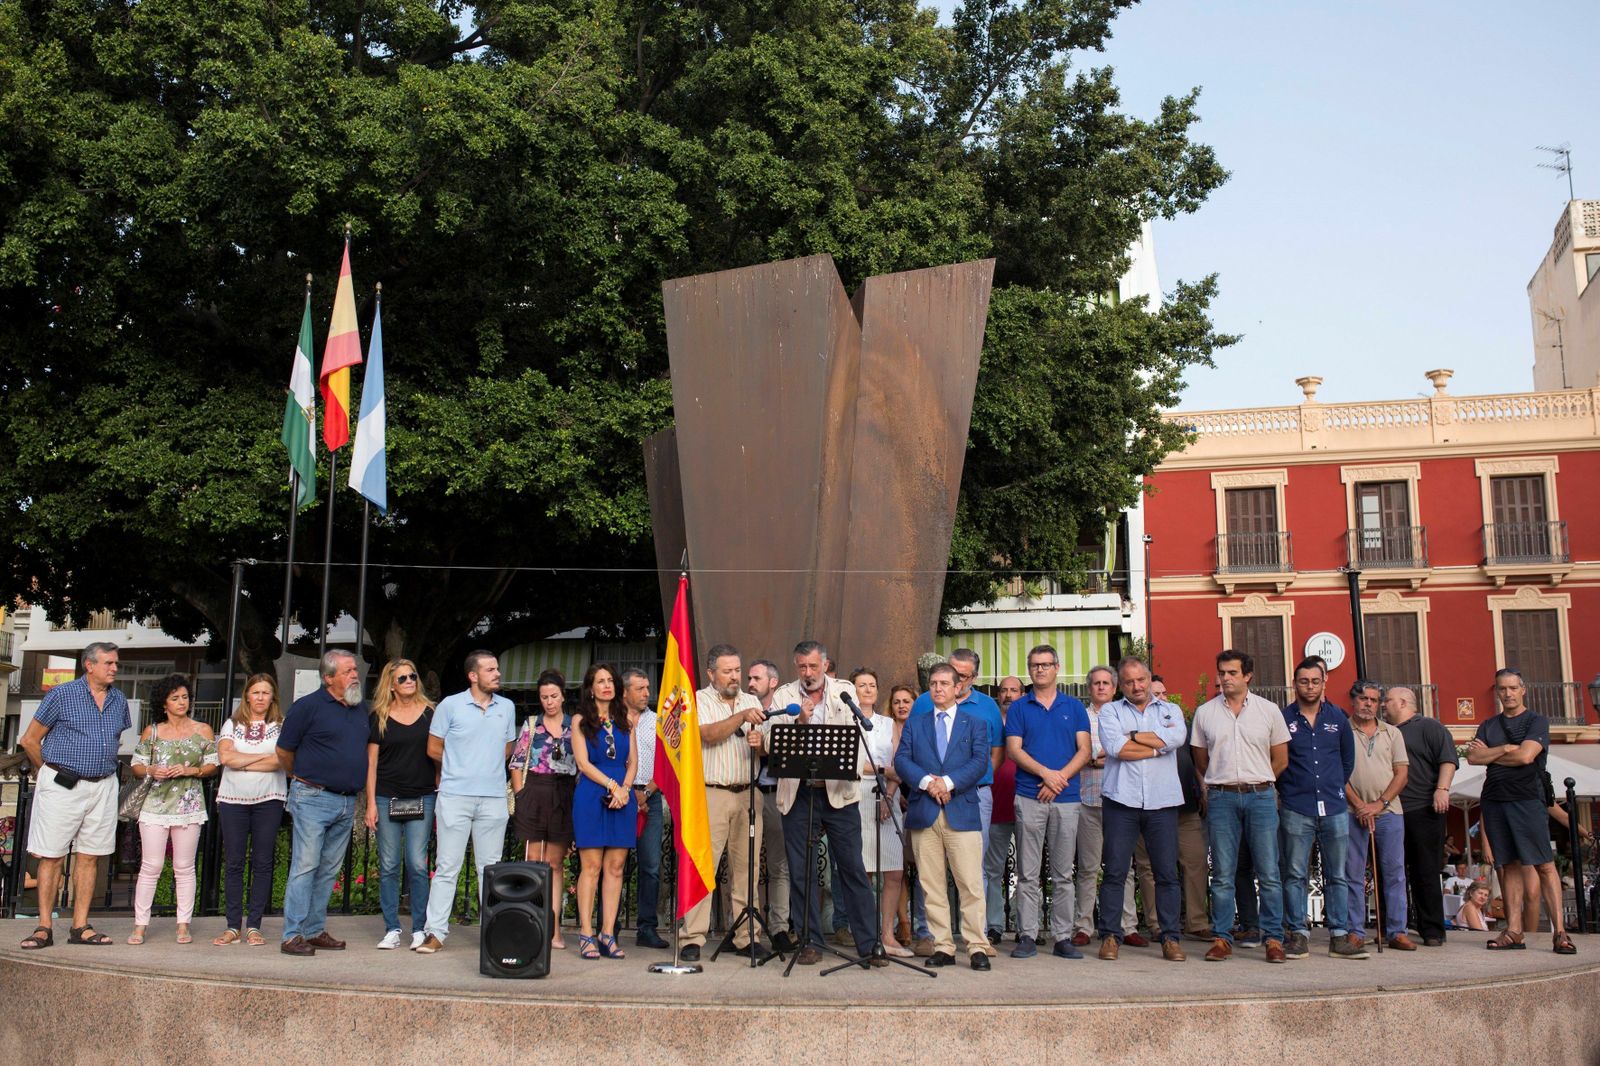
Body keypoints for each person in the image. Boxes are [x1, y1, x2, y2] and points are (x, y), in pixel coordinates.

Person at [773, 641, 879, 965]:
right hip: (799, 793)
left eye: (813, 666)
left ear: (825, 664)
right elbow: (768, 740)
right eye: (802, 667)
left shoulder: (845, 692)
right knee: (802, 871)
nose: (808, 673)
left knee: (852, 868)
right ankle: (810, 941)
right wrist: (799, 722)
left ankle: (870, 944)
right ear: (796, 667)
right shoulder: (784, 696)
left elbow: (856, 740)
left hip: (838, 794)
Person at [17, 642, 129, 949]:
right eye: (108, 663)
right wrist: (51, 774)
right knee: (51, 855)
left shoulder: (119, 700)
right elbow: (29, 740)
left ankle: (80, 926)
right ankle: (43, 927)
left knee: (89, 856)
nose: (114, 668)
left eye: (116, 663)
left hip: (103, 784)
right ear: (89, 665)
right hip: (63, 783)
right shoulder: (62, 694)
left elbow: (113, 740)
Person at [895, 663, 997, 971]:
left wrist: (948, 783)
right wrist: (928, 783)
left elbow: (980, 762)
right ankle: (943, 946)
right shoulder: (916, 723)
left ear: (958, 688)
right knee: (931, 884)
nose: (938, 688)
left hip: (961, 811)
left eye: (944, 683)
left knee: (969, 882)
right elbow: (902, 760)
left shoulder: (975, 723)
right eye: (933, 683)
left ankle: (977, 946)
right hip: (925, 811)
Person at [1191, 648, 1290, 963]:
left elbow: (1281, 758)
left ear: (1247, 675)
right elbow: (1201, 760)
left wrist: (1258, 781)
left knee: (1269, 871)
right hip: (1221, 796)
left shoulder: (1269, 711)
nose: (1225, 678)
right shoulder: (1205, 713)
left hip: (1261, 795)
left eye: (1232, 672)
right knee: (1222, 872)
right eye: (1222, 672)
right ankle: (1222, 937)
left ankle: (1273, 938)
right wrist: (1223, 782)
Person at [416, 650, 516, 955]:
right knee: (447, 866)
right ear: (473, 675)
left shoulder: (508, 707)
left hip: (493, 797)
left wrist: (483, 768)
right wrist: (461, 767)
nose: (497, 674)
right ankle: (435, 932)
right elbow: (433, 747)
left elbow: (508, 748)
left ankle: (494, 932)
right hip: (455, 795)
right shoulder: (450, 705)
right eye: (490, 670)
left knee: (492, 869)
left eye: (497, 668)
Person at [1469, 669, 1572, 954]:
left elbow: (1527, 755)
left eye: (1513, 688)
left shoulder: (1536, 721)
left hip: (1527, 799)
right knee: (1508, 864)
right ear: (1497, 692)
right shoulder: (1488, 725)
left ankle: (1560, 933)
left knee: (1543, 864)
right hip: (1494, 799)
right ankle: (1514, 931)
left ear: (1522, 690)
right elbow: (1474, 756)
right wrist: (1505, 748)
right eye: (1503, 689)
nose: (1508, 693)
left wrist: (1493, 753)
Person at [277, 649, 371, 956]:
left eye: (355, 670)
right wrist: (301, 777)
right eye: (347, 671)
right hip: (312, 797)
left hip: (346, 802)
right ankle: (292, 935)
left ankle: (314, 930)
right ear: (328, 677)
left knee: (328, 870)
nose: (355, 675)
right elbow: (284, 751)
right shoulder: (307, 707)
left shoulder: (359, 709)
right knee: (305, 866)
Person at [1096, 657, 1190, 962]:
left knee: (1166, 874)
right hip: (1121, 801)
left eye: (1141, 680)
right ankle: (1111, 936)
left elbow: (1177, 738)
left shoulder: (1170, 710)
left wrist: (1133, 736)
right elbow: (1114, 748)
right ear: (1120, 685)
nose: (1136, 686)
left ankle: (1170, 938)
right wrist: (1156, 747)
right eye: (1129, 682)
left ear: (1149, 680)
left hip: (1162, 802)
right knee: (1114, 871)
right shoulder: (1110, 710)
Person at [682, 644, 770, 963]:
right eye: (727, 671)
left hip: (748, 791)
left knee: (747, 869)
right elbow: (708, 734)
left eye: (737, 670)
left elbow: (766, 749)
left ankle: (747, 936)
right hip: (713, 792)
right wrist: (741, 717)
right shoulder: (699, 700)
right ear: (711, 674)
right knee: (704, 867)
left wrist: (761, 746)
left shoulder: (751, 700)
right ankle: (692, 937)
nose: (734, 677)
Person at [1005, 645, 1090, 961]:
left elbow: (1084, 750)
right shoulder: (1018, 708)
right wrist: (1046, 774)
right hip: (1029, 796)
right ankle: (1027, 935)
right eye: (1034, 665)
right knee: (1027, 872)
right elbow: (1014, 749)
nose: (1040, 670)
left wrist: (1059, 779)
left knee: (1063, 872)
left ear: (1057, 667)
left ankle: (1063, 936)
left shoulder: (1074, 706)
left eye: (1045, 664)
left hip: (1066, 799)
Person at [1276, 657, 1358, 960]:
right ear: (1295, 684)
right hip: (1296, 807)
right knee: (1295, 873)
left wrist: (1335, 786)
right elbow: (1278, 761)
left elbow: (1347, 761)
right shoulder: (1283, 719)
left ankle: (1339, 935)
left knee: (1337, 874)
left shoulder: (1338, 718)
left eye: (1315, 680)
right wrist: (1287, 792)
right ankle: (1297, 934)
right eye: (1303, 681)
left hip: (1334, 807)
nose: (1309, 686)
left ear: (1324, 683)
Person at [128, 673, 218, 945]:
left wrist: (191, 770)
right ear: (164, 702)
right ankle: (140, 925)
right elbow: (136, 766)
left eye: (185, 697)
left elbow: (214, 765)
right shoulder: (152, 731)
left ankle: (183, 925)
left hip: (189, 804)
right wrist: (152, 770)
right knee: (151, 865)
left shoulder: (203, 730)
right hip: (154, 804)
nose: (182, 702)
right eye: (175, 698)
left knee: (184, 866)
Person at [364, 659, 437, 950]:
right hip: (386, 795)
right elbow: (371, 763)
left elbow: (440, 753)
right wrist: (370, 802)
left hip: (422, 794)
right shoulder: (379, 716)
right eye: (402, 678)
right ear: (391, 684)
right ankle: (392, 927)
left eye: (412, 676)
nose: (409, 681)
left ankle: (419, 927)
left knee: (418, 864)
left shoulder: (431, 714)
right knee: (389, 864)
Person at [569, 662, 637, 960]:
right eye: (600, 681)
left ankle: (607, 933)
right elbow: (583, 764)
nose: (607, 685)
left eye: (610, 680)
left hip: (622, 794)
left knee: (616, 867)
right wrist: (612, 785)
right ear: (591, 688)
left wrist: (625, 789)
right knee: (592, 867)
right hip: (593, 792)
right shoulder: (580, 719)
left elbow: (633, 761)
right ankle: (586, 932)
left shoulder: (626, 720)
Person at [214, 673, 287, 947]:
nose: (260, 698)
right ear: (246, 695)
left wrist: (241, 760)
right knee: (233, 862)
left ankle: (254, 925)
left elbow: (282, 761)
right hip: (234, 800)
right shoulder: (232, 724)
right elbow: (224, 757)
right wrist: (263, 758)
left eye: (265, 693)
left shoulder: (281, 725)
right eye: (255, 692)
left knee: (263, 862)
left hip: (269, 799)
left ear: (272, 697)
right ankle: (233, 926)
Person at [1070, 665, 1141, 947]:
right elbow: (1080, 754)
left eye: (1106, 683)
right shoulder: (1081, 718)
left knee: (1124, 868)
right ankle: (1084, 927)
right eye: (1096, 683)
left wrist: (1102, 756)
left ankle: (1128, 925)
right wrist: (1105, 755)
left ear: (1115, 688)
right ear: (1090, 688)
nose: (1101, 687)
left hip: (1121, 801)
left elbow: (1132, 752)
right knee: (1087, 868)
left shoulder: (1126, 716)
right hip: (1087, 801)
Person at [1139, 674, 1212, 942]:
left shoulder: (1182, 723)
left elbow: (1198, 761)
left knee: (1195, 862)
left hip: (1185, 808)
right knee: (1149, 867)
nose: (1162, 697)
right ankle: (1157, 924)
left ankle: (1196, 922)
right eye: (1156, 693)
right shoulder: (1135, 725)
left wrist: (1202, 788)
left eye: (1165, 693)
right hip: (1148, 807)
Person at [1343, 680, 1412, 954]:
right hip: (1351, 811)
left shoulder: (1393, 733)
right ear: (1353, 701)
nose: (1368, 704)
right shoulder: (1342, 732)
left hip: (1389, 812)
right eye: (1363, 699)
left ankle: (1397, 931)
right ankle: (1355, 931)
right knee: (1352, 873)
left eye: (1373, 699)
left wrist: (1378, 804)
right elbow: (1338, 774)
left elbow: (1402, 774)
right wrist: (1360, 805)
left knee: (1394, 873)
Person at [509, 671, 576, 950]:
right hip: (534, 790)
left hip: (564, 791)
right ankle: (530, 924)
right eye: (544, 697)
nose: (549, 702)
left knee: (555, 863)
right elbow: (516, 763)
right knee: (533, 860)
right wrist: (521, 796)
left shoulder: (576, 726)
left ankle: (554, 929)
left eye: (554, 696)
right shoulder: (531, 725)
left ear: (563, 696)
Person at [1388, 684, 1458, 946]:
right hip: (1393, 811)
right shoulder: (1386, 732)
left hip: (1423, 808)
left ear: (1405, 702)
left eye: (1389, 700)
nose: (1384, 704)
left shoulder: (1429, 727)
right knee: (1393, 870)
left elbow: (1448, 759)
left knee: (1425, 870)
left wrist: (1442, 789)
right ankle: (1396, 926)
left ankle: (1432, 930)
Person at [851, 668, 909, 956]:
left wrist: (889, 795)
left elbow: (899, 765)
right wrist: (882, 769)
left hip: (889, 793)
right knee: (865, 872)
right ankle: (868, 935)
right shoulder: (847, 721)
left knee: (894, 871)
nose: (868, 689)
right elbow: (849, 763)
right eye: (862, 685)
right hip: (857, 796)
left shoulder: (888, 724)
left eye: (872, 684)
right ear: (852, 690)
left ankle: (888, 934)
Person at [747, 658, 792, 947]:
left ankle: (779, 929)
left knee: (780, 866)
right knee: (745, 865)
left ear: (772, 682)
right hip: (747, 793)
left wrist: (763, 746)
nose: (750, 683)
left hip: (776, 794)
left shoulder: (786, 712)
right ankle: (744, 931)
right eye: (749, 678)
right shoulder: (741, 709)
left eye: (756, 678)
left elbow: (786, 753)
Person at [623, 668, 667, 949]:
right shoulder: (612, 721)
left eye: (648, 688)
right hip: (618, 797)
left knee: (651, 866)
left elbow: (666, 763)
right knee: (614, 866)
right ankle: (608, 926)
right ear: (625, 691)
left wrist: (646, 792)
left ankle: (647, 928)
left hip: (650, 797)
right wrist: (629, 792)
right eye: (640, 688)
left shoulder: (659, 722)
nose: (647, 694)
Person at [983, 674, 1023, 944]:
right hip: (995, 805)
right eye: (1004, 690)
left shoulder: (1027, 721)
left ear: (1022, 693)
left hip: (1026, 803)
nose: (1008, 695)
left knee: (1028, 871)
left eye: (1013, 690)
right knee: (992, 870)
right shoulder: (991, 722)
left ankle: (1025, 926)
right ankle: (994, 925)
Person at [887, 683, 917, 945]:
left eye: (907, 701)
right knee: (897, 869)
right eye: (897, 701)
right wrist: (896, 796)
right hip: (895, 799)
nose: (902, 706)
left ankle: (924, 926)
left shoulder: (921, 728)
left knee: (921, 867)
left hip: (918, 799)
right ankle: (903, 923)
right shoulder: (886, 729)